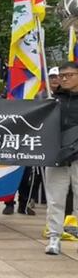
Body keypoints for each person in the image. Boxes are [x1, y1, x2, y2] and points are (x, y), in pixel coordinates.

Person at [45, 62, 78, 255]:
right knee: (55, 199)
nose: (63, 79)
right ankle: (54, 237)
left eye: (69, 75)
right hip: (56, 156)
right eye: (61, 75)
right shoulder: (51, 100)